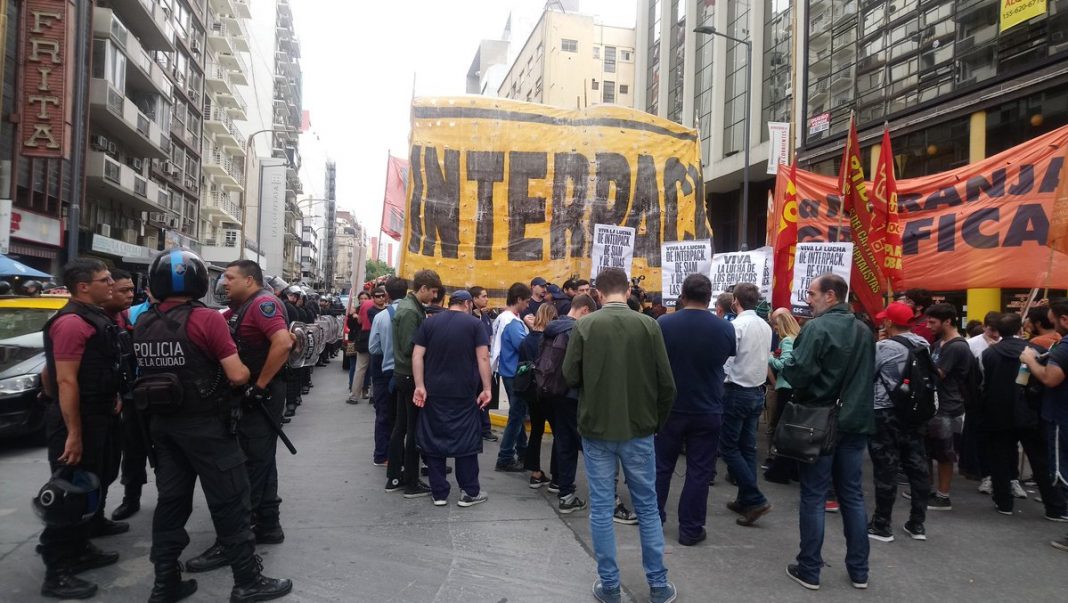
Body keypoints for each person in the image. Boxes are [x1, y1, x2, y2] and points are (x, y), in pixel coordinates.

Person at [134, 249, 292, 602]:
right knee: (231, 501)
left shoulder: (143, 321)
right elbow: (237, 374)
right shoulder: (207, 319)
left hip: (162, 427)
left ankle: (165, 583)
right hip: (207, 427)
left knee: (171, 503)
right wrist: (250, 378)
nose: (223, 282)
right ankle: (247, 580)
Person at [562, 267, 678, 603]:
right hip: (639, 429)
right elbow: (667, 384)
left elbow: (570, 375)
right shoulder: (648, 325)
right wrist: (656, 421)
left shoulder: (584, 325)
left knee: (600, 507)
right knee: (647, 507)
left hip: (597, 428)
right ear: (628, 290)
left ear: (597, 293)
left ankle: (610, 585)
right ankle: (657, 584)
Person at [186, 261, 294, 573]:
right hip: (255, 397)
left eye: (230, 278)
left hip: (260, 397)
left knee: (248, 467)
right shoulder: (244, 307)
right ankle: (268, 525)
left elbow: (283, 342)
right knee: (262, 460)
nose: (224, 284)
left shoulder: (263, 304)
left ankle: (236, 540)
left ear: (250, 280)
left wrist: (259, 387)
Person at [779, 273, 875, 591]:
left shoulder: (817, 328)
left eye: (812, 293)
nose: (809, 299)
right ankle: (859, 570)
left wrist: (787, 361)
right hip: (855, 420)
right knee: (851, 495)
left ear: (830, 296)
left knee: (814, 495)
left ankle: (810, 568)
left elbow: (799, 374)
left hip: (820, 422)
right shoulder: (864, 330)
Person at [38, 259, 123, 599]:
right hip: (78, 419)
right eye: (105, 280)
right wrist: (73, 432)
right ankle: (56, 571)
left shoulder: (96, 317)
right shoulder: (72, 322)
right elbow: (64, 380)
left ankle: (81, 549)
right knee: (68, 494)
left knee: (94, 482)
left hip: (98, 414)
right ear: (84, 286)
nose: (111, 285)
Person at [655, 274, 735, 547]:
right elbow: (724, 358)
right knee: (699, 471)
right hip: (707, 406)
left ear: (682, 294)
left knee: (661, 466)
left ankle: (654, 519)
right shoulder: (723, 327)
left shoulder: (664, 323)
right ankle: (690, 528)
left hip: (671, 406)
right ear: (709, 296)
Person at [980, 312, 1068, 522]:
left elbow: (984, 383)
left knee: (1000, 458)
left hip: (998, 412)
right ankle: (1054, 506)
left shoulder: (989, 354)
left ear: (998, 331)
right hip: (1030, 411)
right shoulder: (1036, 350)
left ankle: (1004, 502)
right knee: (1040, 460)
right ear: (1021, 329)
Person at [411, 290, 493, 506]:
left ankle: (439, 493)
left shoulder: (430, 324)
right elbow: (483, 357)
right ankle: (469, 492)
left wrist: (419, 385)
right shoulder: (474, 325)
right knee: (465, 441)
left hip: (434, 391)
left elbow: (417, 355)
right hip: (464, 392)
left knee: (434, 438)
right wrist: (487, 388)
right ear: (467, 303)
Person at [866, 301, 931, 543]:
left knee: (886, 467)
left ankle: (882, 524)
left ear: (890, 322)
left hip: (885, 411)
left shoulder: (884, 347)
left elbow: (869, 374)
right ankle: (917, 523)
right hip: (915, 412)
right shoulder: (923, 344)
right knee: (917, 465)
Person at [721, 283, 774, 526]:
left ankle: (754, 498)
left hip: (737, 390)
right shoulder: (765, 325)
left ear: (735, 301)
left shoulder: (737, 326)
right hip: (755, 391)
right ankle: (746, 498)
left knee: (730, 447)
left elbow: (728, 359)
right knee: (747, 448)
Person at [385, 269, 441, 497]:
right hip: (408, 375)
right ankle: (410, 481)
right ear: (423, 288)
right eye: (433, 291)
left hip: (403, 374)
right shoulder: (410, 312)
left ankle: (396, 477)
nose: (435, 296)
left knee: (402, 427)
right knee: (411, 430)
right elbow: (411, 347)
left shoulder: (412, 307)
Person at [541, 294, 597, 513]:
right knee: (589, 446)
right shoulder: (577, 331)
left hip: (552, 393)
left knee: (564, 442)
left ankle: (565, 492)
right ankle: (606, 497)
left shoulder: (552, 327)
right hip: (573, 394)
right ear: (584, 310)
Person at [1020, 298, 1068, 551]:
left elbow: (1050, 379)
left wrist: (1030, 360)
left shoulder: (1062, 347)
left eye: (1054, 321)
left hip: (1061, 417)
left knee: (1063, 472)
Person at [102, 270, 142, 523]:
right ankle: (129, 498)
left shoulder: (127, 318)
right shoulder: (93, 321)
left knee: (137, 448)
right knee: (121, 453)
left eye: (131, 290)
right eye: (123, 290)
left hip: (138, 394)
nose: (130, 295)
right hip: (111, 402)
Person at [925, 303, 973, 511]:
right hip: (936, 405)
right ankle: (929, 490)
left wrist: (919, 361)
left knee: (945, 453)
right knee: (931, 449)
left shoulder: (957, 346)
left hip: (949, 406)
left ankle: (943, 495)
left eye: (932, 322)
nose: (928, 326)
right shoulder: (939, 344)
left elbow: (940, 373)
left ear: (947, 321)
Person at [492, 282, 532, 472]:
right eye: (526, 301)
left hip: (507, 370)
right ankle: (505, 456)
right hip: (515, 373)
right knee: (516, 416)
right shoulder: (513, 322)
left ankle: (523, 452)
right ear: (518, 300)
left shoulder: (503, 318)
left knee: (517, 414)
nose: (528, 305)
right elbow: (525, 347)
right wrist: (533, 329)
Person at [369, 278, 405, 466]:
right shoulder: (415, 314)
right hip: (408, 373)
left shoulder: (380, 317)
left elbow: (374, 348)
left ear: (388, 295)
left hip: (386, 372)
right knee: (405, 417)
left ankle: (382, 455)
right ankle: (403, 454)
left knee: (384, 414)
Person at [521, 303, 558, 487]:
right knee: (559, 433)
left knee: (536, 430)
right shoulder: (549, 340)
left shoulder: (527, 339)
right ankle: (557, 476)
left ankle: (535, 471)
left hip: (531, 391)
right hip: (548, 391)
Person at [764, 308, 801, 485]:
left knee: (782, 428)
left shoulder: (786, 341)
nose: (774, 328)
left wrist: (769, 358)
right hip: (791, 387)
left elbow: (785, 364)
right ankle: (792, 468)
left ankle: (781, 469)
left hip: (785, 387)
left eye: (776, 325)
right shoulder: (796, 339)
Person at [469, 286, 498, 442]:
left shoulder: (485, 317)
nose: (487, 299)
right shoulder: (470, 319)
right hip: (473, 364)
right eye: (484, 296)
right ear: (474, 299)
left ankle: (484, 427)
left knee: (484, 395)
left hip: (484, 362)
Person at [347, 291, 374, 402]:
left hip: (364, 340)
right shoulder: (358, 308)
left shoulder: (367, 307)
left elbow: (360, 321)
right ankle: (355, 391)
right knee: (357, 368)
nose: (363, 300)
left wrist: (357, 316)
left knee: (363, 369)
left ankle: (361, 392)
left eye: (365, 298)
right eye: (361, 298)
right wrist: (351, 315)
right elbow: (351, 326)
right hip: (359, 341)